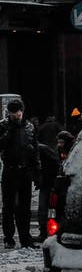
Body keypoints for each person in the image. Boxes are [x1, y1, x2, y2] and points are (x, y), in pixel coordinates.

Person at [0, 99, 40, 248]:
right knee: (8, 206)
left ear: (22, 111)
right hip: (10, 169)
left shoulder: (29, 127)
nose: (16, 115)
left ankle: (25, 239)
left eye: (18, 112)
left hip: (25, 171)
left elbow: (35, 151)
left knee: (25, 207)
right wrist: (8, 135)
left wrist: (37, 171)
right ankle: (9, 238)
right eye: (13, 113)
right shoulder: (3, 126)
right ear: (9, 113)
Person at [35, 131, 73, 242]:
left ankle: (53, 231)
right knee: (45, 209)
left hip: (59, 184)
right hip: (52, 183)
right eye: (59, 142)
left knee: (53, 209)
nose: (60, 144)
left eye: (62, 142)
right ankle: (45, 232)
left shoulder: (71, 151)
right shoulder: (56, 151)